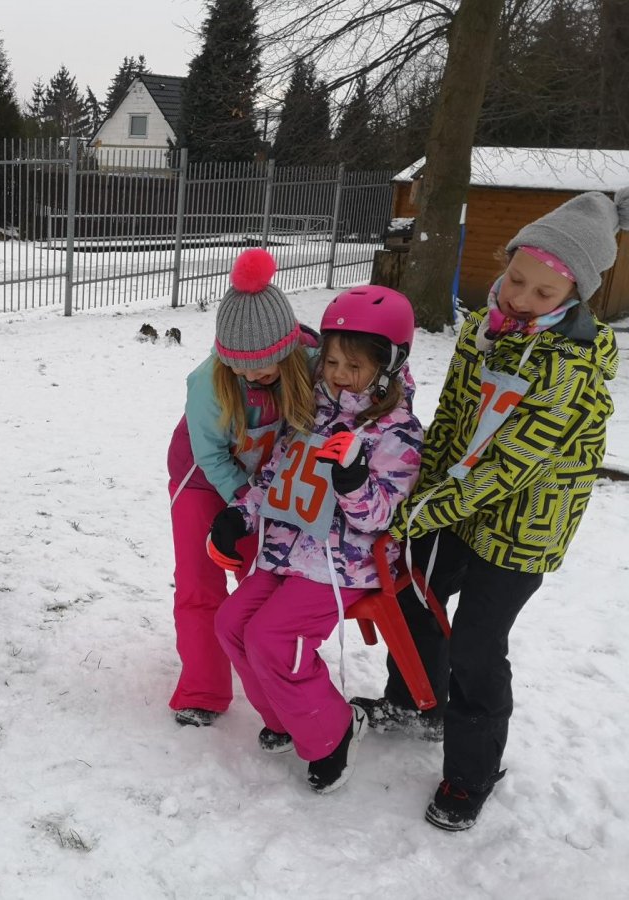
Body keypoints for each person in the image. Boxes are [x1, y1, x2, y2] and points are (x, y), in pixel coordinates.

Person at [353, 189, 625, 830]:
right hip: (451, 507)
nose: (521, 298)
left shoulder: (572, 370)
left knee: (477, 645)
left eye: (544, 293)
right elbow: (452, 418)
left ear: (575, 297)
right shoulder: (484, 328)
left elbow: (509, 467)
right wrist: (413, 491)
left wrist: (414, 515)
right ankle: (415, 700)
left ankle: (471, 773)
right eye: (517, 278)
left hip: (522, 527)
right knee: (415, 596)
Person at [211, 286, 423, 795]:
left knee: (273, 638)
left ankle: (332, 730)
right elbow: (276, 478)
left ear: (388, 367)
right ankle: (285, 716)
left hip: (342, 563)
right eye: (330, 361)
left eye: (354, 366)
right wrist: (240, 515)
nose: (338, 374)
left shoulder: (397, 433)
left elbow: (380, 516)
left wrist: (354, 482)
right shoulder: (311, 411)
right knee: (232, 623)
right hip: (285, 550)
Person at [166, 248, 318, 728]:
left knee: (267, 578)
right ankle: (203, 689)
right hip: (203, 477)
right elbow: (211, 456)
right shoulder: (208, 384)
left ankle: (273, 678)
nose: (252, 375)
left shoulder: (312, 363)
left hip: (270, 481)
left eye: (264, 366)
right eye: (241, 367)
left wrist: (263, 503)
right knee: (200, 579)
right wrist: (243, 503)